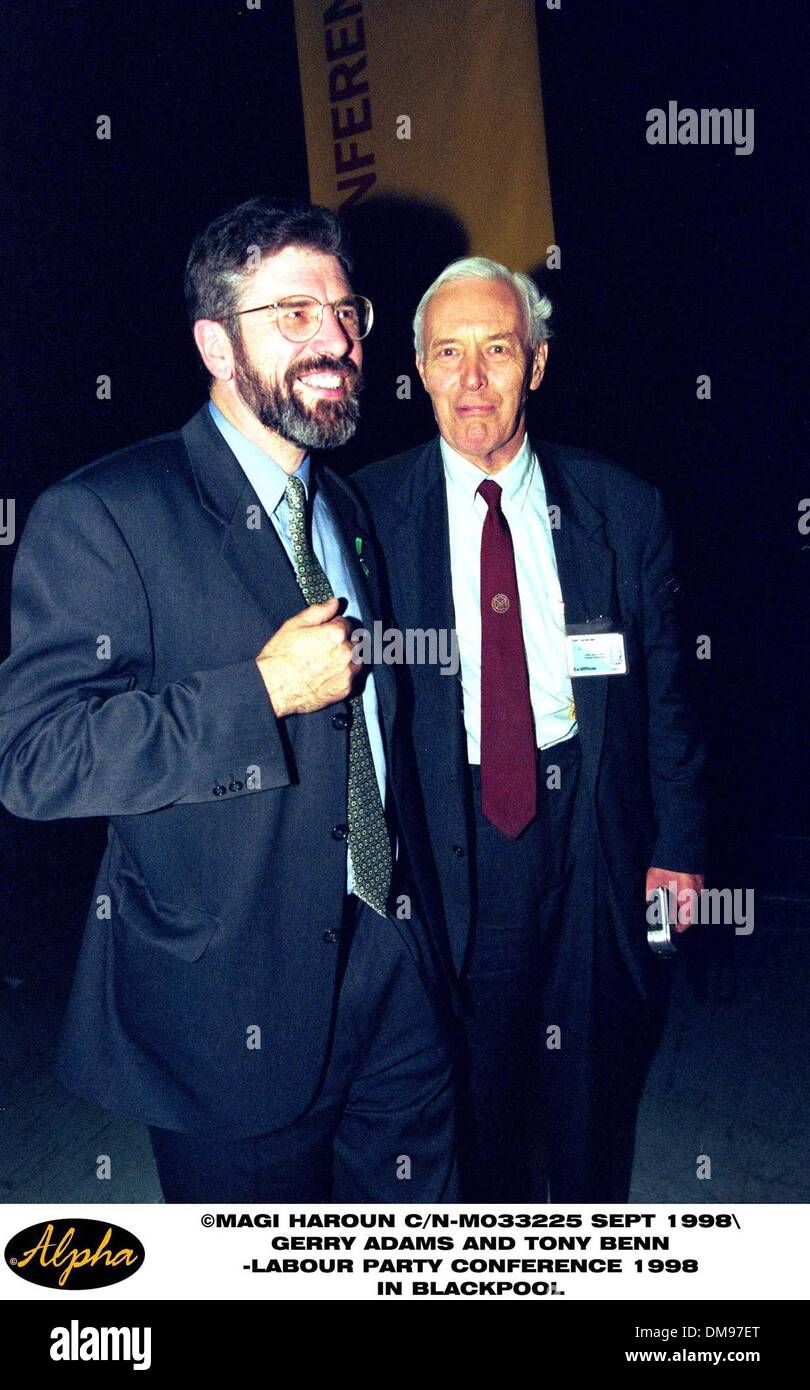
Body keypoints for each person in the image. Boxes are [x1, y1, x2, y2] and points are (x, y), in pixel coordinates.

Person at [0, 198, 458, 1203]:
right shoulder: (108, 512)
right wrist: (260, 693)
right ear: (215, 342)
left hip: (393, 961)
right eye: (293, 314)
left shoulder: (343, 508)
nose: (335, 339)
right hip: (226, 1002)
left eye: (346, 312)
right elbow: (34, 760)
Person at [355, 257, 707, 1202]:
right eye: (449, 353)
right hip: (453, 831)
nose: (472, 380)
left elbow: (666, 691)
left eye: (498, 350)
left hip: (592, 826)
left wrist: (676, 848)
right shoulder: (367, 518)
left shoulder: (621, 509)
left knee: (593, 1081)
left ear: (537, 364)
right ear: (419, 369)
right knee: (467, 1090)